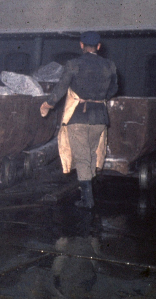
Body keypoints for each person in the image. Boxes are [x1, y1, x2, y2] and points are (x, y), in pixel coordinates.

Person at [40, 31, 118, 209]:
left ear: (81, 45)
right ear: (98, 47)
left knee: (82, 158)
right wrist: (97, 96)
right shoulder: (110, 65)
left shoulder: (74, 64)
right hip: (100, 117)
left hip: (79, 117)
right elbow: (114, 89)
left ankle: (87, 201)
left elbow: (61, 88)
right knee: (91, 154)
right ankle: (88, 192)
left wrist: (48, 104)